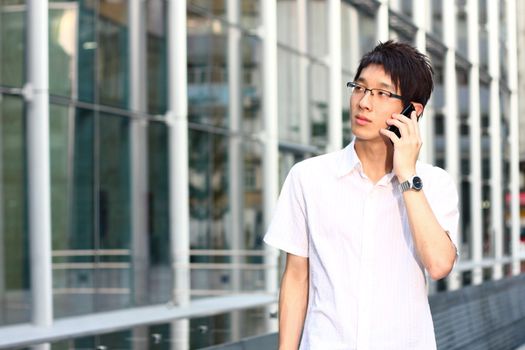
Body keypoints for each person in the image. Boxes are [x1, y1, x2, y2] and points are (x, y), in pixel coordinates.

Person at [264, 40, 459, 350]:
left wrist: (407, 175)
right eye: (360, 88)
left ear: (413, 110)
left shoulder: (434, 183)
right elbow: (296, 278)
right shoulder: (308, 178)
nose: (364, 102)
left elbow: (438, 265)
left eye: (382, 93)